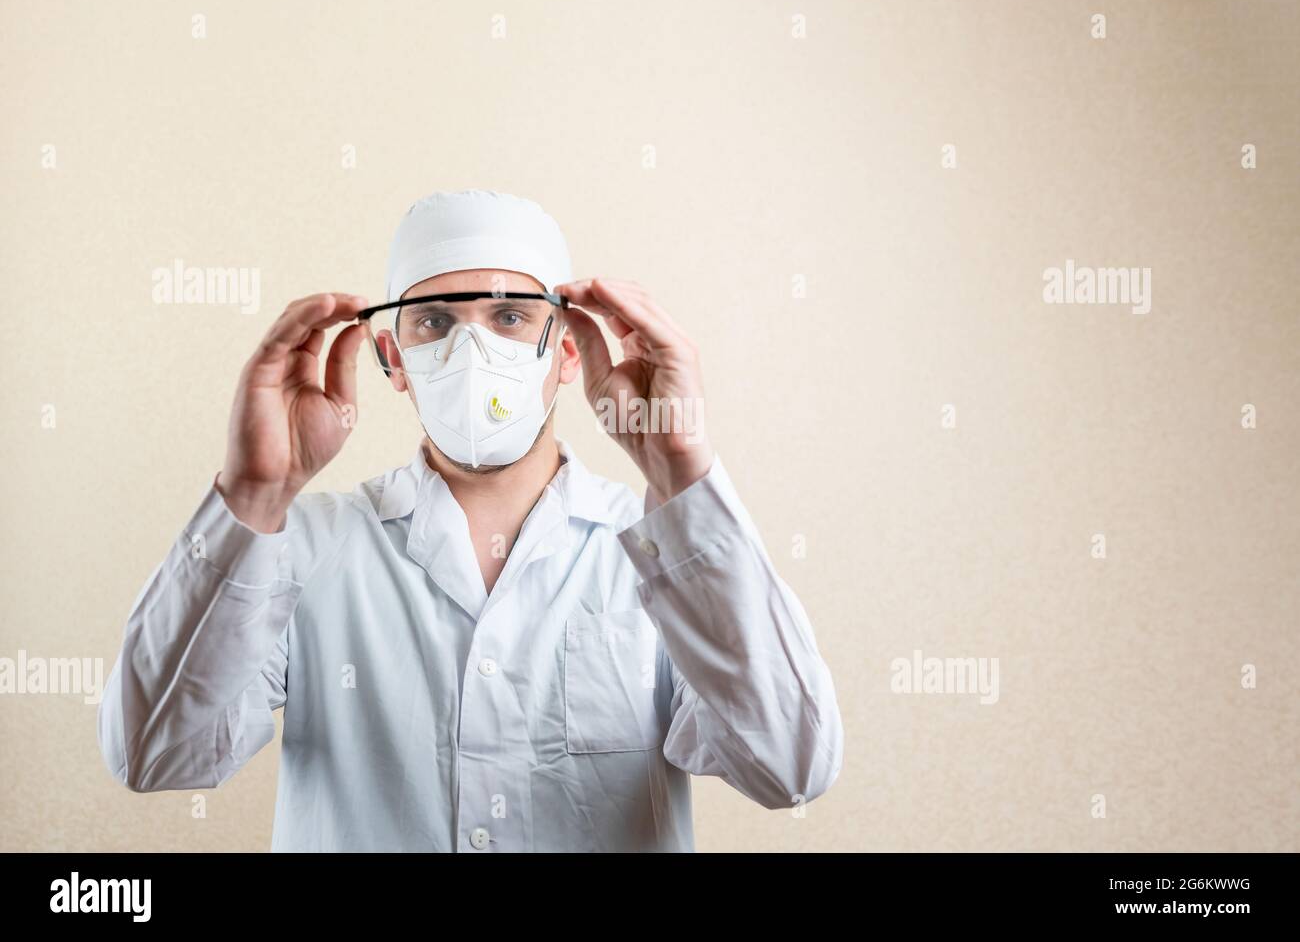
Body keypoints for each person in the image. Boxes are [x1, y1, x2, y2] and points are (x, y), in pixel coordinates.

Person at [98, 189, 844, 851]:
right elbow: (153, 754)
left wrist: (682, 474)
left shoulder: (652, 549)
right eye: (434, 322)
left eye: (510, 316)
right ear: (392, 357)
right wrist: (254, 493)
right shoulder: (303, 546)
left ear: (568, 351)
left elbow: (792, 765)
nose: (472, 348)